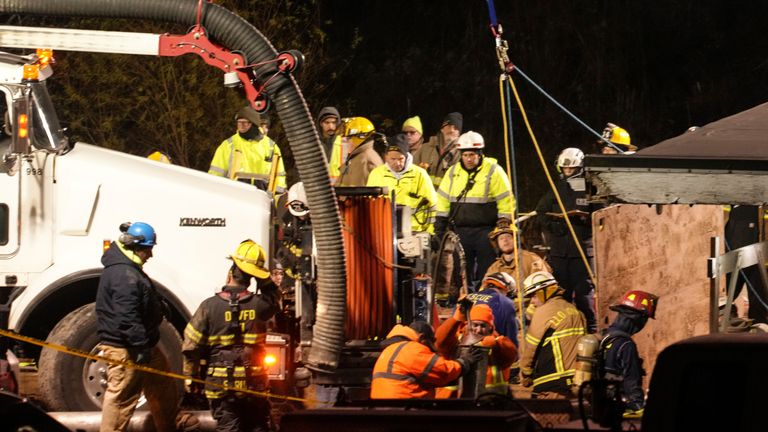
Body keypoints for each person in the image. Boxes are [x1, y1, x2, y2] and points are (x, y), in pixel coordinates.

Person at [182, 239, 281, 432]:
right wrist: (263, 278)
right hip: (255, 385)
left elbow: (190, 347)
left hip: (220, 387)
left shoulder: (208, 307)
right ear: (252, 277)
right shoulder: (261, 305)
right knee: (258, 427)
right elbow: (275, 297)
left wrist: (191, 378)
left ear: (230, 272)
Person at [96, 221, 179, 432]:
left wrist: (158, 307)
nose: (150, 255)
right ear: (136, 246)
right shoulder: (124, 274)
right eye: (148, 249)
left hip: (141, 344)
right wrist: (140, 346)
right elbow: (126, 316)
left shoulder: (129, 270)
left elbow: (135, 302)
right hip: (127, 347)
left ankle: (168, 426)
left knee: (163, 388)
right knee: (122, 399)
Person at [435, 130, 514, 290]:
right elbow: (442, 200)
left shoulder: (493, 171)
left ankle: (487, 299)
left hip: (486, 231)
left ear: (480, 154)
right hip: (460, 231)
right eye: (465, 155)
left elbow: (506, 200)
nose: (469, 159)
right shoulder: (452, 173)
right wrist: (439, 226)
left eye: (472, 155)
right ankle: (465, 302)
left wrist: (504, 225)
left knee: (488, 269)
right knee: (462, 271)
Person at [535, 147, 597, 333]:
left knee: (584, 296)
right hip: (560, 252)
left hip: (582, 252)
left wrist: (586, 219)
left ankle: (591, 330)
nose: (568, 173)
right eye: (565, 169)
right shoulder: (557, 188)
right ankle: (562, 330)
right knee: (561, 295)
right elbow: (541, 211)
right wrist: (553, 226)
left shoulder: (590, 188)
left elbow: (600, 211)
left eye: (571, 169)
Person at [370, 321, 482, 399]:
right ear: (423, 338)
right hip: (404, 408)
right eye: (432, 341)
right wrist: (465, 361)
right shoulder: (413, 349)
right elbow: (443, 371)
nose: (433, 347)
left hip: (386, 407)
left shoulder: (392, 348)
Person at [519, 271, 587, 398]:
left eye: (534, 296)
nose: (532, 302)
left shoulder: (543, 312)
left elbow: (530, 348)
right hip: (578, 381)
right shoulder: (575, 311)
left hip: (552, 384)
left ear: (544, 292)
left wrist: (526, 373)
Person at [435, 303, 518, 396]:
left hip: (489, 402)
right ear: (467, 325)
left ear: (490, 328)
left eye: (483, 326)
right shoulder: (457, 341)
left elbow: (512, 354)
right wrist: (456, 319)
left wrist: (494, 343)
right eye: (475, 325)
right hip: (453, 402)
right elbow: (440, 341)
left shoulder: (497, 343)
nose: (478, 330)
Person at [600, 290, 659, 418]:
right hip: (618, 407)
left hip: (601, 405)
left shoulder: (605, 336)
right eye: (645, 319)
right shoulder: (625, 344)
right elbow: (631, 379)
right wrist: (638, 405)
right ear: (638, 318)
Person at [366, 133, 437, 233]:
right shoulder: (376, 174)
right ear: (386, 157)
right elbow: (369, 205)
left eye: (400, 159)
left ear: (407, 156)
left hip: (414, 232)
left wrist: (430, 233)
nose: (397, 163)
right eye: (393, 159)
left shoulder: (420, 174)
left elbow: (433, 205)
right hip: (384, 231)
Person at [209, 106, 287, 193]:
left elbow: (279, 175)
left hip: (262, 197)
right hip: (234, 195)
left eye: (245, 123)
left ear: (254, 124)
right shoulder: (228, 145)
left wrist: (277, 196)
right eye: (239, 122)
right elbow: (215, 174)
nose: (241, 126)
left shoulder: (271, 146)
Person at [484, 225, 551, 283]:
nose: (505, 240)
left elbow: (545, 285)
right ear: (497, 244)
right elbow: (485, 292)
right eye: (501, 238)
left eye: (508, 237)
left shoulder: (532, 259)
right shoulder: (494, 268)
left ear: (516, 240)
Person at [465, 272, 519, 343]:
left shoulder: (467, 297)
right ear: (506, 289)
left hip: (461, 345)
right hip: (486, 348)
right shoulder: (505, 302)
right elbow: (511, 339)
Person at [416, 112, 463, 187]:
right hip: (422, 196)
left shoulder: (462, 154)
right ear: (442, 129)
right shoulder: (424, 148)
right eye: (449, 126)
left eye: (456, 128)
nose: (452, 130)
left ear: (459, 133)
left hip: (445, 198)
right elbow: (411, 173)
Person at [336, 116, 383, 187]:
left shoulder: (366, 161)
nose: (342, 143)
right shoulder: (355, 157)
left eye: (347, 139)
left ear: (359, 138)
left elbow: (361, 194)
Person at [316, 106, 345, 184]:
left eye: (333, 122)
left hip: (341, 188)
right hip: (318, 189)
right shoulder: (314, 143)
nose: (331, 126)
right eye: (327, 123)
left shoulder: (344, 142)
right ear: (321, 123)